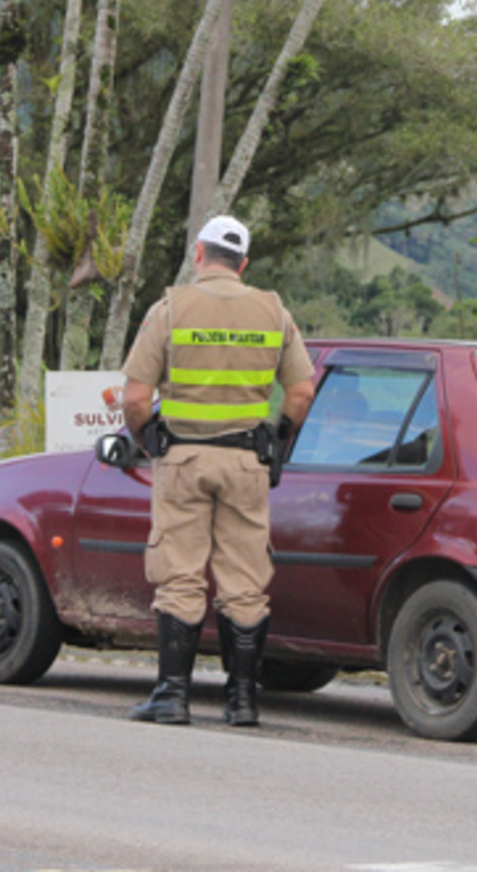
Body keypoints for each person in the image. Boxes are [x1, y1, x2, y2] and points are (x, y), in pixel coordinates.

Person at [118, 215, 315, 727]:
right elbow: (301, 391)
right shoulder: (274, 312)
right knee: (245, 581)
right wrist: (279, 440)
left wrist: (147, 437)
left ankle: (173, 696)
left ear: (199, 254)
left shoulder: (170, 310)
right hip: (247, 462)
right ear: (244, 263)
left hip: (183, 460)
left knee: (180, 574)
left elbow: (136, 396)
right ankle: (243, 700)